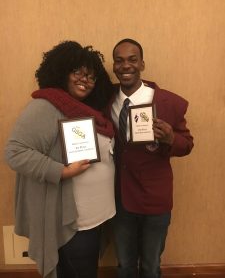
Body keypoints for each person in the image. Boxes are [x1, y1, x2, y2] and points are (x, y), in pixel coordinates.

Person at [5, 41, 116, 278]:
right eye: (78, 72)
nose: (85, 80)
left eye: (91, 76)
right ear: (61, 72)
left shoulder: (87, 110)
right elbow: (15, 152)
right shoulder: (46, 106)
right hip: (74, 221)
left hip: (96, 215)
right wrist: (62, 171)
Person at [110, 38, 194, 278]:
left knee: (150, 267)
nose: (126, 65)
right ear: (114, 66)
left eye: (132, 59)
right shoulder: (107, 99)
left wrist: (170, 139)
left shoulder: (167, 102)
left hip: (154, 199)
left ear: (142, 64)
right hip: (120, 198)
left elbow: (187, 144)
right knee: (124, 266)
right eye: (119, 60)